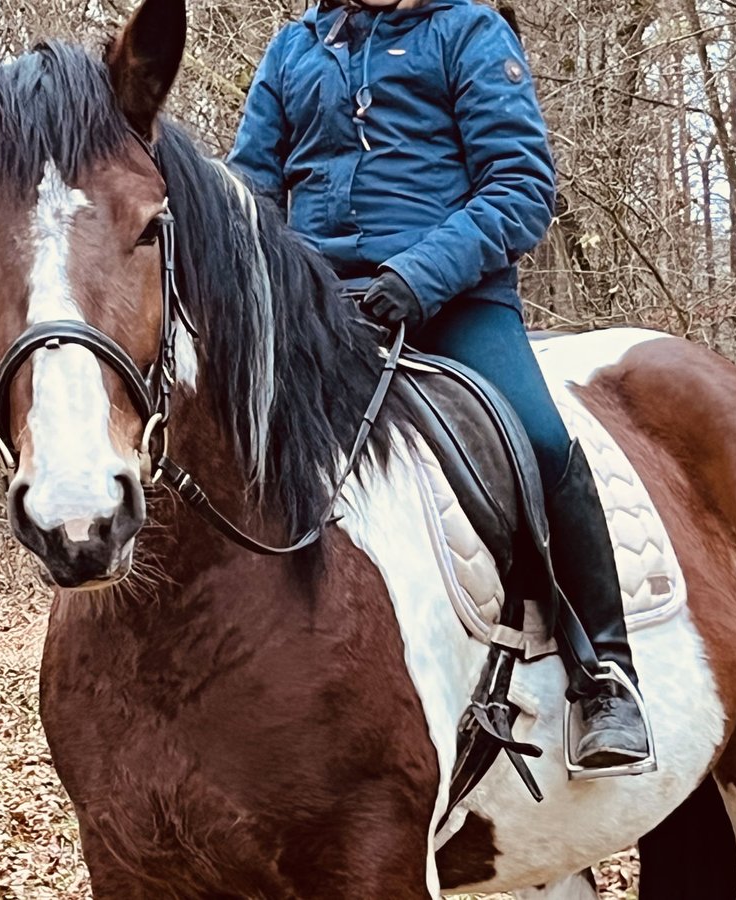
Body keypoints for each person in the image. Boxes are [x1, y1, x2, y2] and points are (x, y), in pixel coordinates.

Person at [229, 0, 648, 768]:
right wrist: (277, 279)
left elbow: (521, 186)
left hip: (453, 299)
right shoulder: (292, 50)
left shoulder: (469, 32)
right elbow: (249, 189)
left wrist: (419, 277)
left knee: (541, 437)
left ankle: (606, 675)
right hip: (317, 306)